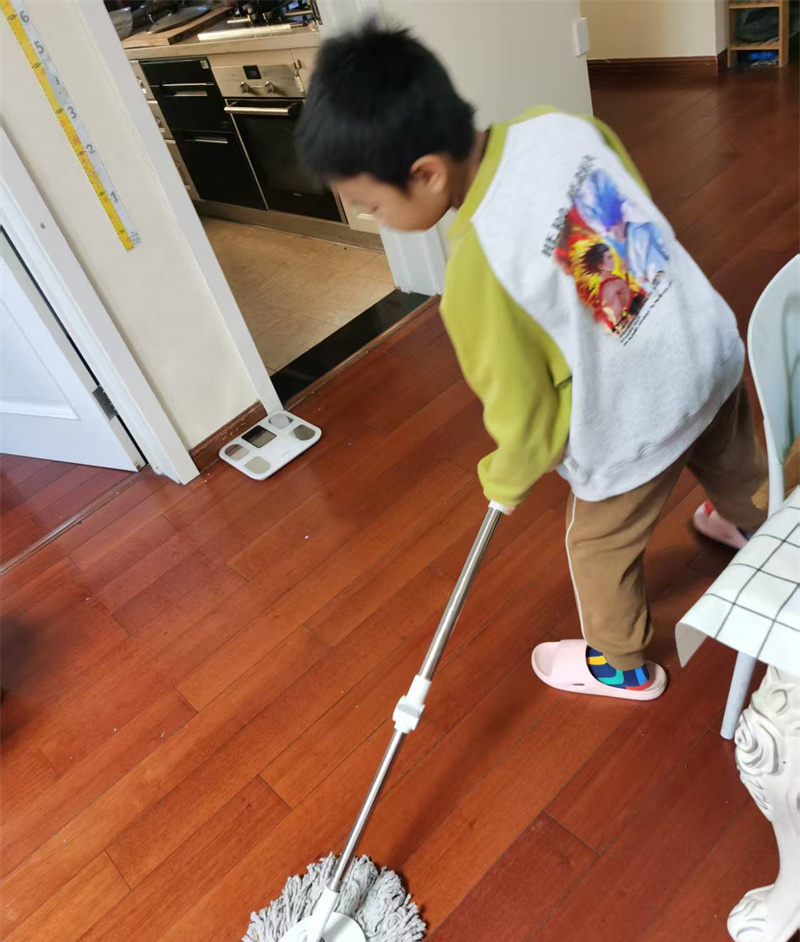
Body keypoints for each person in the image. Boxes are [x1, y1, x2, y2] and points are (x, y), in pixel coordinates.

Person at [297, 23, 766, 701]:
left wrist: (505, 478)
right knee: (731, 452)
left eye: (372, 205)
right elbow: (635, 217)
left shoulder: (476, 272)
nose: (376, 219)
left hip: (642, 419)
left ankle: (622, 664)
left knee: (597, 546)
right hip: (704, 344)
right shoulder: (560, 128)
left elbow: (528, 419)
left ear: (425, 173)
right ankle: (759, 527)